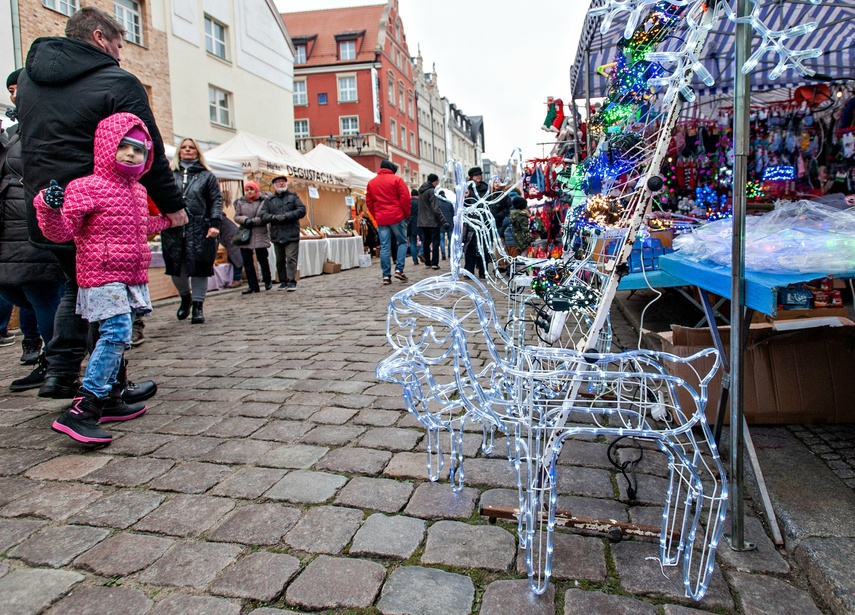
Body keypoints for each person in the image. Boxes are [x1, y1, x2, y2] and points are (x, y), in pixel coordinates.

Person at [16, 6, 186, 401]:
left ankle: (59, 373)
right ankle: (108, 385)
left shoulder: (26, 80)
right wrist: (172, 205)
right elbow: (148, 149)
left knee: (75, 288)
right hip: (99, 212)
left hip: (49, 208)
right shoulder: (118, 81)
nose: (121, 53)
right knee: (105, 296)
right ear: (97, 37)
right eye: (118, 44)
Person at [34, 113, 175, 443]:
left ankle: (111, 397)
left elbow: (140, 227)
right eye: (123, 147)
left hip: (129, 277)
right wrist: (49, 209)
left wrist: (169, 221)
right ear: (106, 147)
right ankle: (84, 408)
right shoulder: (87, 187)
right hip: (100, 275)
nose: (130, 154)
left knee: (106, 335)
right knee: (116, 333)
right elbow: (62, 231)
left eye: (138, 150)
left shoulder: (139, 192)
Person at [0, 69, 65, 391]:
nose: (15, 94)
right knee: (16, 291)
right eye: (10, 89)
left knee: (41, 292)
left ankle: (58, 365)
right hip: (9, 224)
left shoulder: (48, 126)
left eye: (19, 88)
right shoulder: (13, 132)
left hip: (36, 219)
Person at [162, 138, 222, 323]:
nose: (188, 150)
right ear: (179, 151)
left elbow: (215, 201)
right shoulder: (169, 174)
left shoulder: (207, 176)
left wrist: (215, 224)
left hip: (199, 226)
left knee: (200, 267)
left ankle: (198, 305)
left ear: (197, 152)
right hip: (174, 227)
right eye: (185, 147)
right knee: (175, 268)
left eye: (192, 148)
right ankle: (185, 297)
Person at [366, 159, 410, 285]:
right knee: (402, 242)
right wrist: (405, 214)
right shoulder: (397, 180)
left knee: (385, 247)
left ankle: (386, 276)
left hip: (381, 218)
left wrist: (376, 215)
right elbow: (405, 198)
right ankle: (399, 269)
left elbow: (369, 203)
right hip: (397, 216)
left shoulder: (371, 183)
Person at [260, 175, 305, 291]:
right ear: (274, 185)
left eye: (283, 182)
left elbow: (301, 210)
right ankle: (283, 280)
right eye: (279, 182)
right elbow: (263, 215)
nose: (281, 184)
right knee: (280, 259)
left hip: (291, 233)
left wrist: (287, 216)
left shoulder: (293, 197)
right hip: (277, 234)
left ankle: (291, 281)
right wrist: (274, 217)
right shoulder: (269, 200)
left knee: (291, 258)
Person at [233, 181, 272, 294]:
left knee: (262, 258)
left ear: (256, 190)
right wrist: (245, 220)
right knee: (247, 261)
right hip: (245, 234)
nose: (249, 192)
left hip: (259, 232)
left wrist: (252, 221)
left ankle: (267, 280)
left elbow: (264, 217)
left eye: (251, 189)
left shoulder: (263, 201)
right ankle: (252, 285)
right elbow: (236, 216)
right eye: (247, 190)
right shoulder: (240, 202)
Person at [417, 173, 448, 270]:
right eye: (437, 181)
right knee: (435, 242)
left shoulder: (421, 191)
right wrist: (443, 220)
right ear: (434, 181)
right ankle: (434, 262)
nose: (438, 183)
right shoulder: (432, 191)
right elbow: (435, 208)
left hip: (422, 221)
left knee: (426, 241)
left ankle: (427, 262)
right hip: (432, 221)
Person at [463, 166, 489, 278]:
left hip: (484, 222)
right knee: (470, 248)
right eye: (476, 175)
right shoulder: (466, 188)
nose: (478, 177)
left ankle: (483, 271)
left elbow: (487, 203)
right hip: (471, 222)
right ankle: (469, 271)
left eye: (479, 174)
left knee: (484, 248)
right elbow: (464, 204)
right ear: (471, 177)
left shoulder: (486, 188)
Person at [436, 188, 455, 261]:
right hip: (449, 223)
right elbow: (453, 214)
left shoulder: (438, 204)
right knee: (450, 240)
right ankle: (450, 254)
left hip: (441, 224)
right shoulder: (449, 203)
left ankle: (443, 255)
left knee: (441, 240)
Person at [408, 188, 422, 265]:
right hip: (420, 223)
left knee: (412, 243)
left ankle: (415, 260)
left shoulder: (408, 202)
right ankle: (421, 252)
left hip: (410, 224)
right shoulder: (419, 202)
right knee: (424, 240)